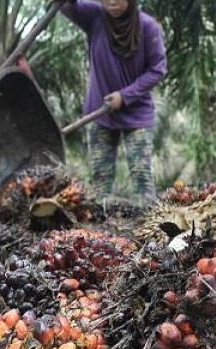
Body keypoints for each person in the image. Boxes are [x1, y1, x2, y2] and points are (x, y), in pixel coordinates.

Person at [61, 0, 167, 202]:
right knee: (99, 188)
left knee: (142, 182)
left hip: (137, 115)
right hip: (100, 114)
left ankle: (147, 229)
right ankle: (100, 232)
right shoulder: (94, 16)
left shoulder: (147, 26)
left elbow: (157, 70)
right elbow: (66, 5)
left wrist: (125, 96)